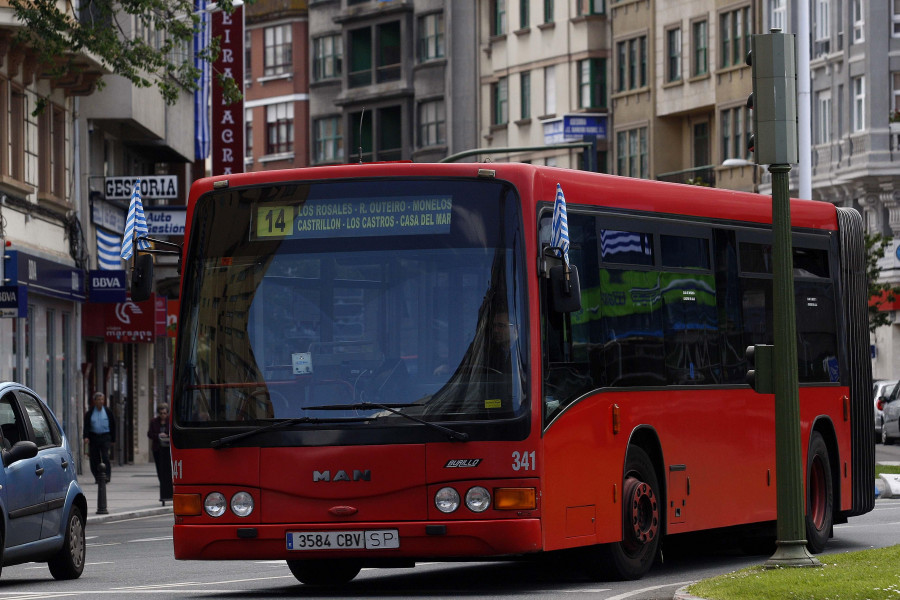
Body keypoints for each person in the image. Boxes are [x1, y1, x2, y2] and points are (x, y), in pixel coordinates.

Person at [83, 391, 115, 484]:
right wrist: (86, 437)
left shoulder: (108, 411)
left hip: (105, 436)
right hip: (94, 437)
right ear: (95, 401)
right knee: (94, 458)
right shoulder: (90, 413)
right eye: (99, 400)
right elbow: (87, 425)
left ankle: (107, 476)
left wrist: (113, 439)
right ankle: (97, 476)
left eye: (102, 399)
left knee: (105, 456)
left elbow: (113, 425)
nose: (101, 401)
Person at [147, 403, 173, 504]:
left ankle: (167, 485)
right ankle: (162, 482)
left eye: (165, 413)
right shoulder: (154, 422)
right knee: (159, 467)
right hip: (158, 448)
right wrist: (158, 435)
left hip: (167, 448)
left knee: (167, 468)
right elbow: (149, 434)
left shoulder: (170, 421)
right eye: (161, 413)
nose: (163, 415)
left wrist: (167, 435)